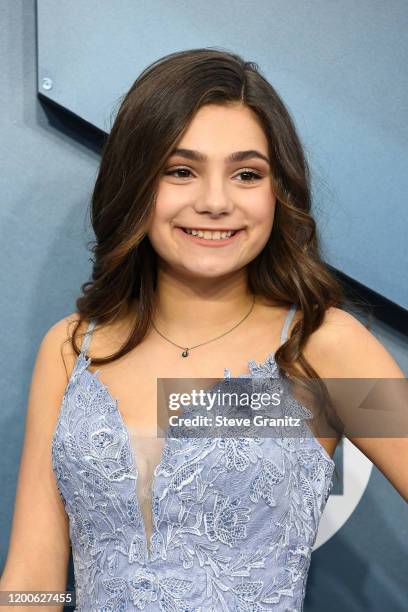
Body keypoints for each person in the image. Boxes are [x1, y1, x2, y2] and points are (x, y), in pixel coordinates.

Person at [1, 48, 406, 612]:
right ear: (137, 182)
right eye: (181, 171)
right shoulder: (72, 350)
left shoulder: (323, 347)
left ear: (277, 191)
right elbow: (32, 574)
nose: (215, 202)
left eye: (246, 174)